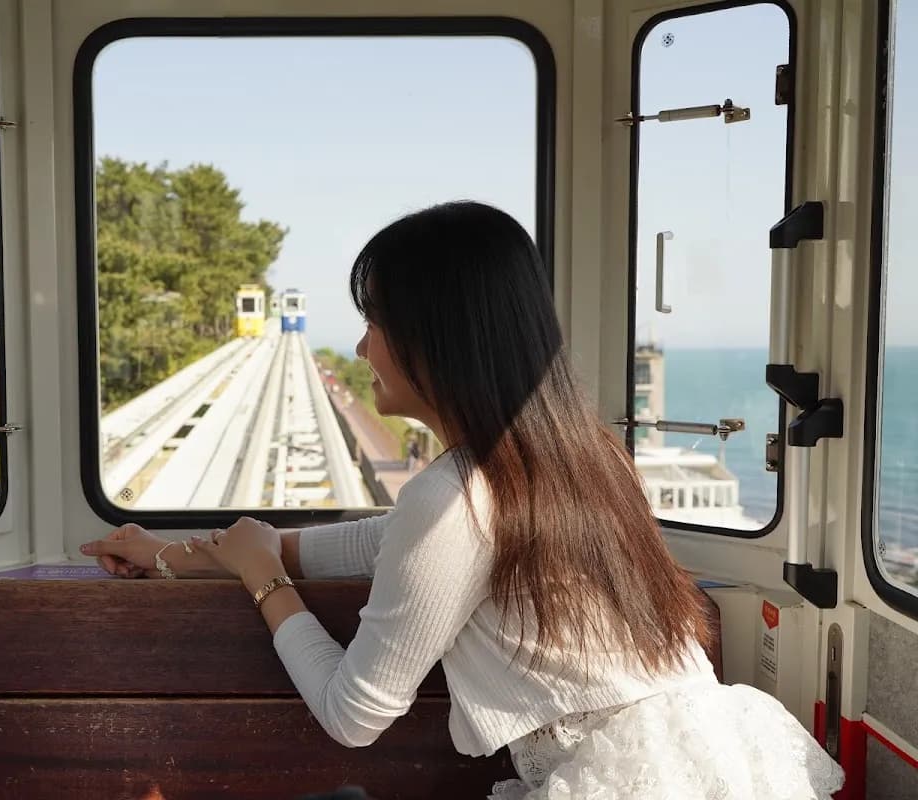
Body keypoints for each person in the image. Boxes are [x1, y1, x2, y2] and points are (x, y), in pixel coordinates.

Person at [81, 202, 843, 798]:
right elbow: (372, 545)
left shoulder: (453, 496)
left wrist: (264, 582)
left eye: (374, 323)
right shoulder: (582, 458)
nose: (359, 349)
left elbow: (353, 716)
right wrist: (170, 556)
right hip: (713, 769)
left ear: (434, 338)